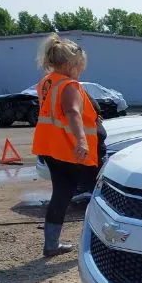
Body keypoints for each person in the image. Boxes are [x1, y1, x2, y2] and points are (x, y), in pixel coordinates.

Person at [32, 33, 100, 257]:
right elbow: (72, 112)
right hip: (74, 150)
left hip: (52, 148)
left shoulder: (46, 83)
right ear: (71, 64)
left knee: (61, 193)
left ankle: (51, 244)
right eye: (80, 66)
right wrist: (82, 140)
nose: (81, 70)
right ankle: (104, 243)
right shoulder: (69, 85)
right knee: (100, 193)